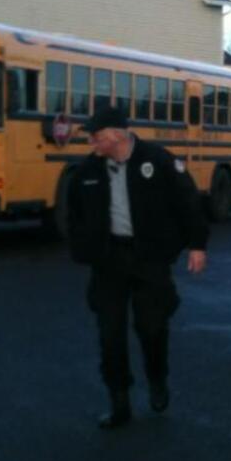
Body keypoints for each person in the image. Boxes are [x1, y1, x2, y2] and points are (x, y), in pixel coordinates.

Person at [66, 104, 208, 429]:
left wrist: (197, 244)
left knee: (152, 327)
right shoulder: (88, 172)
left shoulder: (157, 161)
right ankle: (119, 402)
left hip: (149, 259)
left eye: (97, 137)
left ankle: (157, 379)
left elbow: (188, 203)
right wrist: (83, 250)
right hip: (109, 261)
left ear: (117, 135)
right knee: (110, 335)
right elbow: (73, 214)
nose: (93, 144)